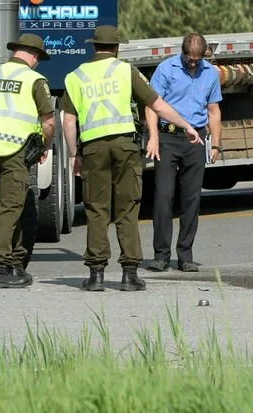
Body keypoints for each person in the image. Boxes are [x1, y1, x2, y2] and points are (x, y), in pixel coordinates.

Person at [59, 25, 204, 292]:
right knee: (127, 208)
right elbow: (156, 104)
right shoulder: (126, 71)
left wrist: (74, 154)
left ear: (94, 47)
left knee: (97, 209)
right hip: (124, 146)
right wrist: (186, 125)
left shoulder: (76, 76)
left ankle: (96, 276)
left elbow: (68, 120)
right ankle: (129, 275)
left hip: (93, 148)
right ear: (116, 48)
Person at [0, 33, 54, 289]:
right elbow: (49, 121)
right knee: (11, 207)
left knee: (3, 208)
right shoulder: (34, 79)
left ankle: (14, 262)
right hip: (15, 151)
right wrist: (45, 146)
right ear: (35, 56)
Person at [142, 33, 223, 273]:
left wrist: (216, 143)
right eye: (189, 59)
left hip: (195, 139)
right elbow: (152, 105)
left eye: (197, 60)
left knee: (191, 199)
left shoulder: (209, 73)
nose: (193, 64)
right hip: (168, 137)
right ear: (183, 53)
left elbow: (214, 110)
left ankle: (185, 255)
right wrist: (154, 136)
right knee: (164, 197)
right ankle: (161, 255)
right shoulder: (167, 69)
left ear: (204, 56)